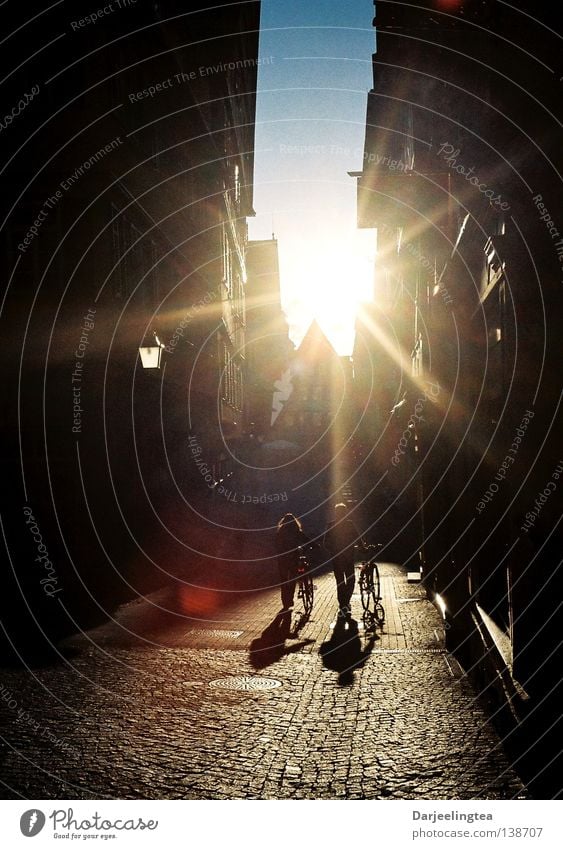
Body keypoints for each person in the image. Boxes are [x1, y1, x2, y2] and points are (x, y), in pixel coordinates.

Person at [323, 503, 361, 621]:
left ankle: (342, 603)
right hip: (349, 557)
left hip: (336, 558)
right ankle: (346, 601)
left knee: (340, 581)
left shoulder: (331, 525)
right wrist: (362, 547)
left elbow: (326, 542)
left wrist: (333, 551)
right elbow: (357, 538)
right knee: (351, 580)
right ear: (345, 512)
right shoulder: (350, 524)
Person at [276, 513, 307, 610]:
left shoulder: (280, 531)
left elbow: (276, 544)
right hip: (293, 557)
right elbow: (305, 539)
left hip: (282, 558)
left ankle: (285, 601)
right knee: (293, 578)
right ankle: (290, 599)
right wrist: (315, 545)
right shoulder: (296, 530)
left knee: (284, 580)